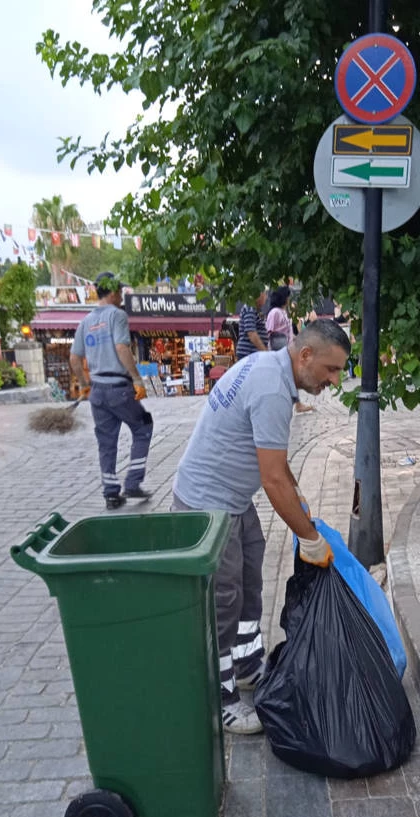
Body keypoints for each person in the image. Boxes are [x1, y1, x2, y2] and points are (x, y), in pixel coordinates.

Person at [171, 318, 351, 734]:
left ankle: (249, 665)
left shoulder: (271, 369)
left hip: (231, 499)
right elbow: (270, 480)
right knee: (222, 601)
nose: (334, 380)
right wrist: (309, 537)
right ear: (305, 355)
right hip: (207, 507)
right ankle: (220, 698)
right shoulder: (272, 388)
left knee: (250, 582)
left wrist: (298, 495)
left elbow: (274, 461)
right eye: (330, 369)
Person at [70, 272, 153, 509]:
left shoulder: (85, 322)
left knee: (106, 442)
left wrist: (84, 386)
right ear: (114, 291)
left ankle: (111, 493)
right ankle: (133, 483)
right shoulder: (117, 315)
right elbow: (121, 347)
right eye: (120, 291)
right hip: (119, 388)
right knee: (143, 426)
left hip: (97, 391)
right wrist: (137, 379)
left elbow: (75, 359)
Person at [266, 286, 314, 415]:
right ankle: (293, 403)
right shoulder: (275, 312)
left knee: (290, 376)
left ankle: (296, 403)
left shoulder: (282, 312)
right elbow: (269, 331)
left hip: (287, 349)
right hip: (279, 349)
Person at [235, 288, 269, 360]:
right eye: (265, 294)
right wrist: (265, 352)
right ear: (259, 294)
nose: (266, 297)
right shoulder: (250, 308)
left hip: (253, 353)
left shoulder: (256, 310)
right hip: (248, 353)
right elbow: (252, 334)